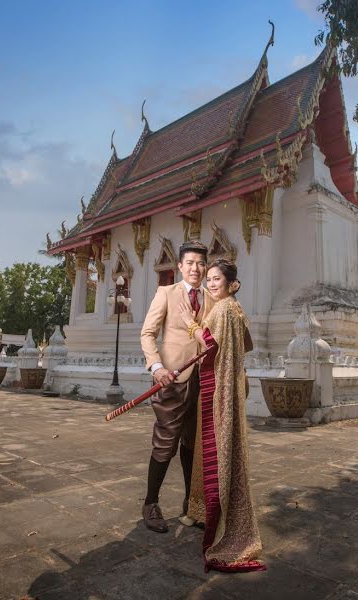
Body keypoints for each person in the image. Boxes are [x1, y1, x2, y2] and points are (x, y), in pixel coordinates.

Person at [178, 258, 265, 573]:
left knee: (218, 453)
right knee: (208, 450)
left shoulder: (224, 309)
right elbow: (245, 344)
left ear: (232, 284)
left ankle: (220, 518)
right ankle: (201, 510)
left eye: (217, 279)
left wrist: (192, 325)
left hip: (219, 392)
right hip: (222, 388)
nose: (211, 283)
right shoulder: (234, 310)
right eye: (209, 279)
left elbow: (210, 344)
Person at [139, 241, 214, 533]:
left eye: (200, 263)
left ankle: (191, 506)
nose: (195, 268)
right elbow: (148, 334)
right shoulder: (166, 294)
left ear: (206, 268)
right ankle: (150, 503)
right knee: (166, 443)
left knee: (193, 444)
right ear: (180, 266)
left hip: (203, 379)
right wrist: (157, 367)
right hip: (171, 379)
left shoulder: (212, 298)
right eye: (190, 263)